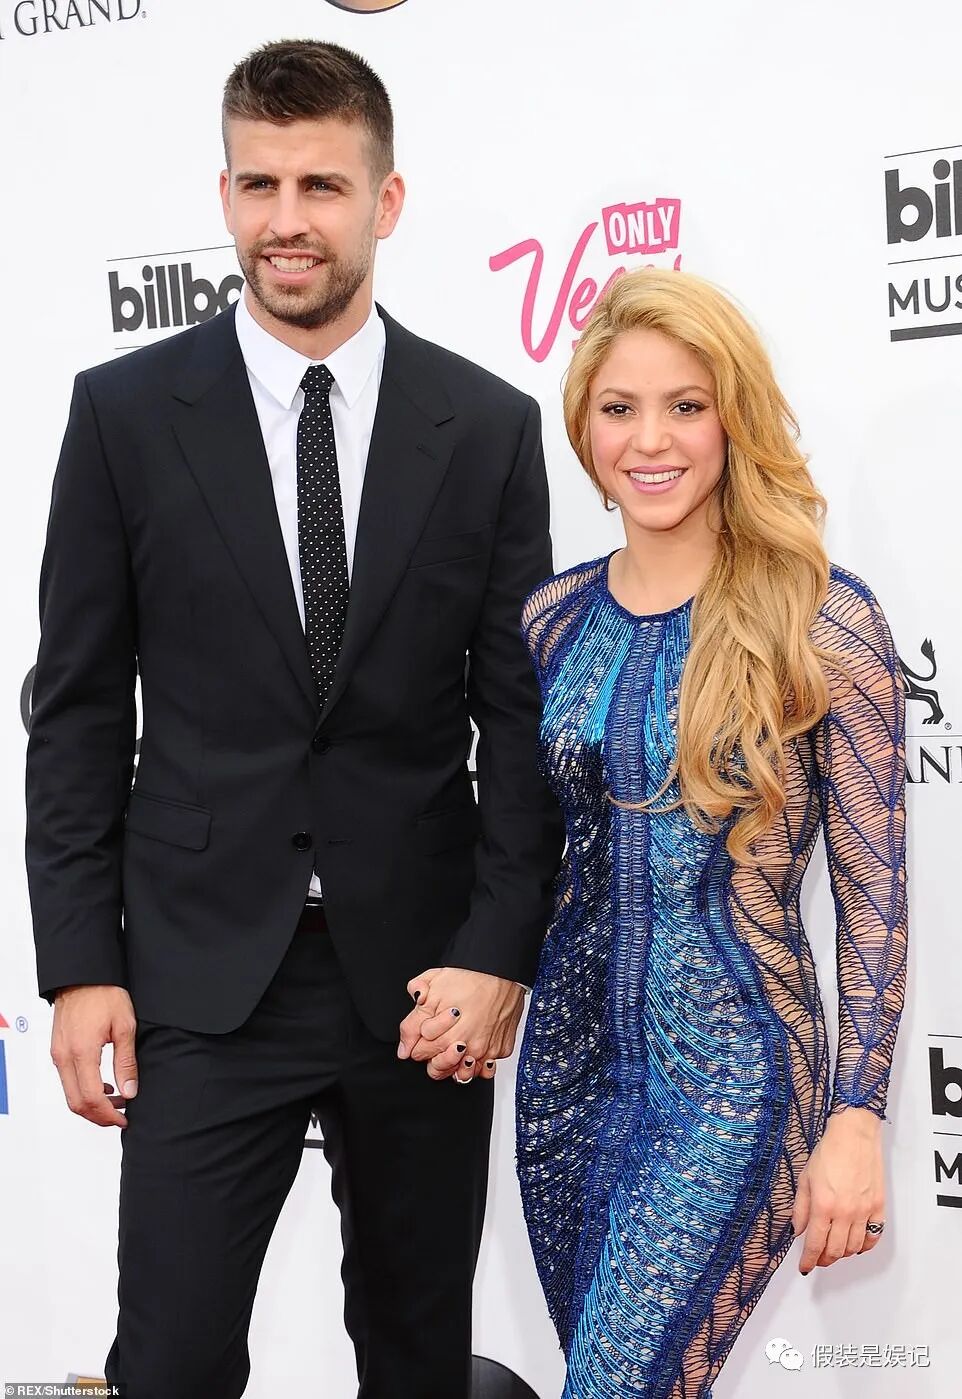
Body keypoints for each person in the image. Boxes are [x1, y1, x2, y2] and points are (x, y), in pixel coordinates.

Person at [24, 39, 563, 1399]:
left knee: (415, 1354)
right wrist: (80, 962)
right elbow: (76, 709)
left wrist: (494, 948)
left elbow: (517, 721)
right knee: (171, 1357)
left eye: (321, 184)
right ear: (223, 193)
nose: (286, 219)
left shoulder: (486, 426)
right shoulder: (123, 414)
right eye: (258, 184)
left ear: (385, 200)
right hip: (200, 975)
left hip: (421, 983)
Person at [513, 268, 907, 1398]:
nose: (651, 440)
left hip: (735, 1081)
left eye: (686, 405)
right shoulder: (552, 618)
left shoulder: (819, 618)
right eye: (620, 407)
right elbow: (534, 855)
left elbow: (874, 895)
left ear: (732, 419)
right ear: (584, 426)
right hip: (565, 1082)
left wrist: (856, 1114)